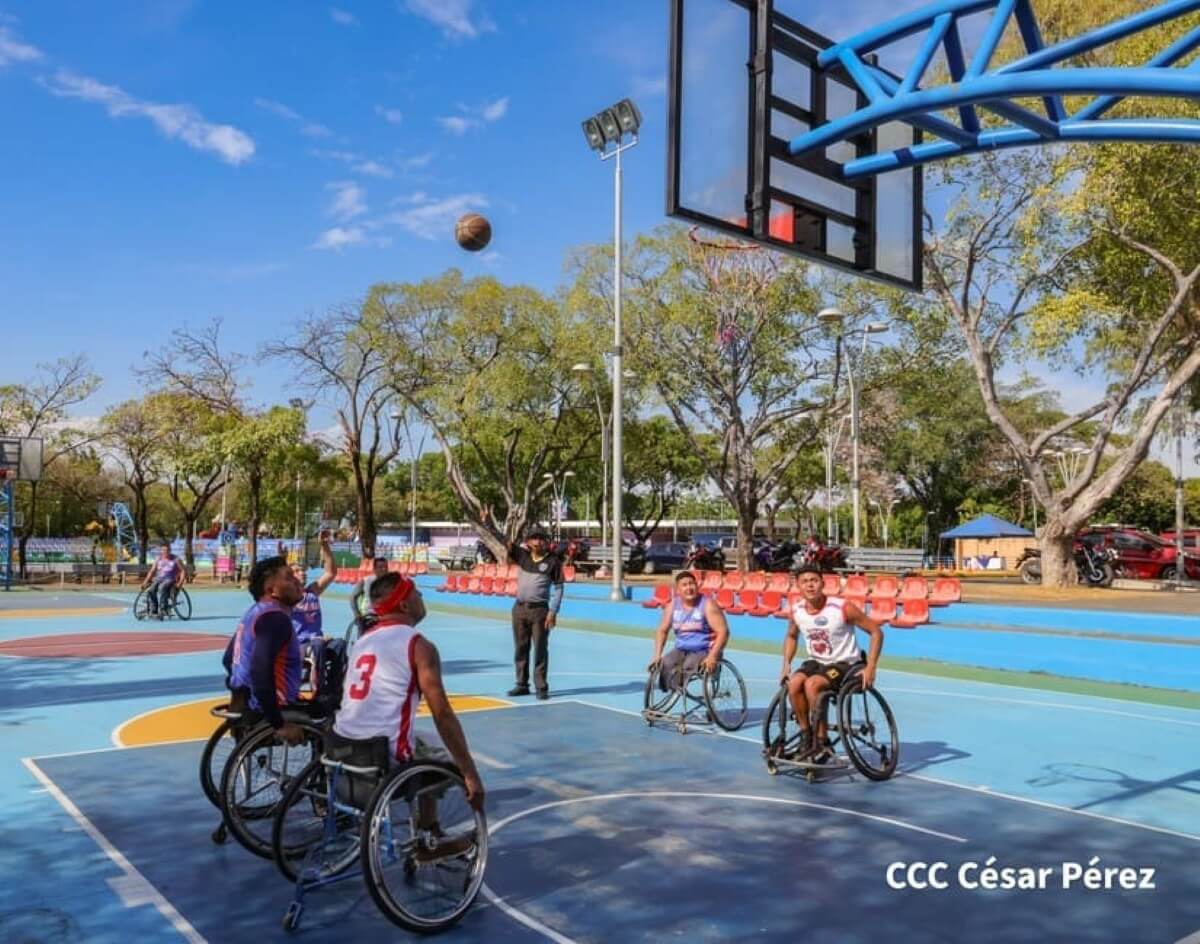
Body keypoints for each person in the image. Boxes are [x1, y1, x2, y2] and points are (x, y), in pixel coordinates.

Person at [334, 572, 485, 825]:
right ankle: (429, 832)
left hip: (343, 745)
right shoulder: (418, 645)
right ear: (404, 604)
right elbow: (442, 714)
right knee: (447, 758)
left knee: (427, 740)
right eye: (416, 592)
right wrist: (470, 774)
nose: (422, 596)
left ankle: (430, 828)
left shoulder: (363, 642)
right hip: (383, 755)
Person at [781, 564, 884, 763]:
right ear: (798, 586)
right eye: (804, 582)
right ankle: (806, 736)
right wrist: (786, 664)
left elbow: (876, 632)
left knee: (813, 684)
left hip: (845, 664)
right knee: (793, 684)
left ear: (823, 583)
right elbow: (791, 636)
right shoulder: (797, 611)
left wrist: (871, 667)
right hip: (816, 662)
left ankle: (822, 740)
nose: (810, 585)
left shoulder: (841, 607)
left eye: (814, 581)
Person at [225, 556, 308, 745]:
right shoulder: (275, 619)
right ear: (272, 590)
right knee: (334, 717)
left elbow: (228, 659)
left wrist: (240, 693)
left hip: (247, 706)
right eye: (288, 577)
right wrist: (278, 723)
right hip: (268, 712)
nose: (297, 580)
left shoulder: (254, 613)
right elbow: (259, 670)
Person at [504, 526, 563, 700]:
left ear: (546, 541)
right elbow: (506, 542)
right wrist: (488, 524)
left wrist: (553, 611)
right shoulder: (522, 556)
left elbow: (559, 589)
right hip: (520, 608)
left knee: (540, 649)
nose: (537, 542)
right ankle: (521, 684)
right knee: (521, 648)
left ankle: (541, 687)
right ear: (528, 542)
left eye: (541, 538)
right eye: (534, 538)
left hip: (540, 611)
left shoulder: (553, 562)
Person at [648, 571, 730, 690]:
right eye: (684, 585)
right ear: (677, 590)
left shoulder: (708, 605)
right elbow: (662, 630)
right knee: (665, 663)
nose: (689, 588)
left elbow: (723, 632)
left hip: (704, 649)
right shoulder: (672, 606)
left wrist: (713, 656)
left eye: (691, 584)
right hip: (682, 649)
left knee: (688, 665)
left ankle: (678, 688)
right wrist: (657, 655)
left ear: (697, 586)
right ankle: (670, 689)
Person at [289, 533, 337, 647]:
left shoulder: (312, 592)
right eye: (297, 571)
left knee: (339, 645)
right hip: (299, 644)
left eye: (302, 570)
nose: (302, 573)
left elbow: (331, 572)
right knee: (318, 646)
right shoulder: (287, 598)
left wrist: (324, 545)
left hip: (317, 640)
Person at [141, 542, 184, 619]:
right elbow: (152, 571)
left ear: (170, 550)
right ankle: (154, 609)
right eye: (163, 550)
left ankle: (163, 608)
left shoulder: (176, 559)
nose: (165, 552)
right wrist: (145, 581)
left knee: (162, 587)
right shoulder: (158, 559)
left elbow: (183, 571)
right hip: (159, 578)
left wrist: (180, 583)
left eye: (167, 550)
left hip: (170, 579)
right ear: (161, 551)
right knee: (151, 590)